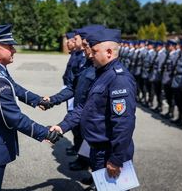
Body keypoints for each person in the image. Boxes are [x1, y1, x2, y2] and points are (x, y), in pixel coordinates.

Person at [0, 24, 61, 191]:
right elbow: (14, 117)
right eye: (10, 46)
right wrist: (44, 133)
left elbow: (12, 86)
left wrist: (36, 100)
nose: (14, 50)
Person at [50, 28, 136, 191]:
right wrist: (62, 126)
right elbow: (84, 106)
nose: (89, 54)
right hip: (97, 150)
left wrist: (116, 159)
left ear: (109, 52)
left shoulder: (119, 80)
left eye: (94, 51)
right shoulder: (101, 73)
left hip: (109, 153)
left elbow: (123, 124)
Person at [161, 40, 179, 119]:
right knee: (168, 96)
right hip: (166, 79)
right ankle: (169, 112)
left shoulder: (175, 55)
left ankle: (171, 113)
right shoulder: (168, 54)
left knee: (171, 97)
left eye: (169, 46)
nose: (167, 47)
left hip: (170, 80)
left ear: (172, 46)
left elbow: (174, 69)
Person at [149, 41, 167, 113]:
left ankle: (160, 107)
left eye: (156, 47)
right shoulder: (158, 53)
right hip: (155, 76)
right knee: (157, 91)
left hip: (158, 77)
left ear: (159, 46)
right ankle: (159, 106)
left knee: (159, 92)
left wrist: (159, 76)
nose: (155, 48)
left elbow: (160, 67)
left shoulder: (162, 54)